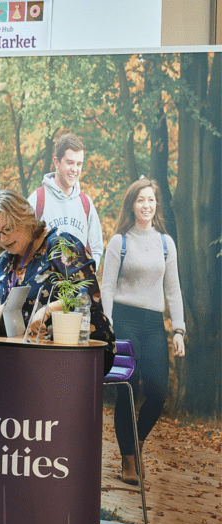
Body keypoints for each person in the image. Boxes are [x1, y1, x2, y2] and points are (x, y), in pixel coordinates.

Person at [101, 178, 185, 485]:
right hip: (123, 319)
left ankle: (135, 445)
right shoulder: (119, 242)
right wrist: (107, 326)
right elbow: (107, 287)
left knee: (158, 392)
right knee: (129, 387)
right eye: (140, 200)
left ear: (156, 205)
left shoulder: (166, 243)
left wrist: (178, 329)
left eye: (151, 200)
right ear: (131, 205)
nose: (146, 205)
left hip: (152, 322)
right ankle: (127, 461)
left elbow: (173, 289)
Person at [0, 190, 115, 366]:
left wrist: (48, 310)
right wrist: (8, 308)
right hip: (29, 352)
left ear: (25, 219)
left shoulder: (61, 244)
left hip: (82, 349)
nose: (3, 239)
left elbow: (88, 296)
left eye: (7, 229)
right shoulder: (4, 261)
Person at [27, 133, 105, 269]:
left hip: (79, 287)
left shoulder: (85, 203)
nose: (74, 169)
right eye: (70, 163)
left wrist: (87, 274)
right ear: (56, 162)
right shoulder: (38, 200)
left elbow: (96, 249)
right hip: (44, 287)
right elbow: (23, 247)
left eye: (79, 164)